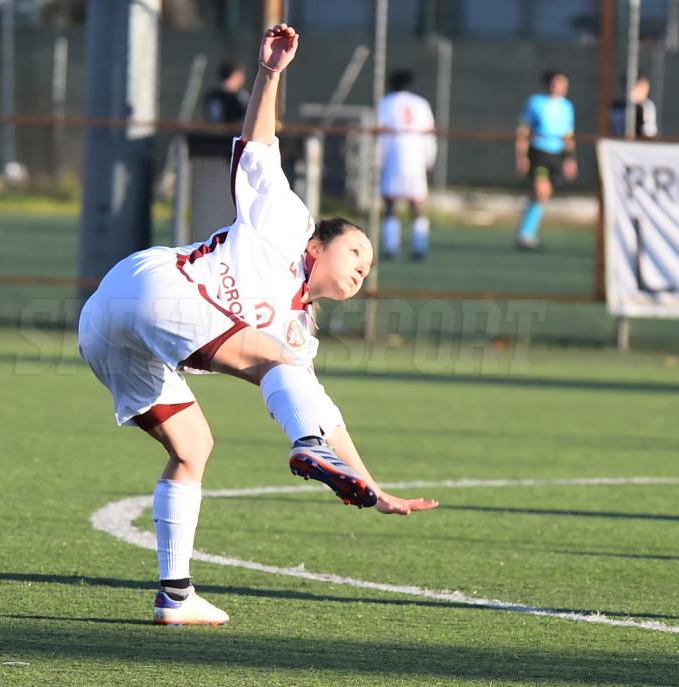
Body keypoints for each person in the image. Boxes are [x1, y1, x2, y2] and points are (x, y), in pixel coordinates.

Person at [78, 23, 438, 628]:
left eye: (369, 266)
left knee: (193, 447)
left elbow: (323, 413)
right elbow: (258, 145)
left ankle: (175, 596)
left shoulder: (298, 335)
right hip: (155, 284)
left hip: (107, 330)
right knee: (282, 371)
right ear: (320, 245)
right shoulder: (289, 222)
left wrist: (371, 487)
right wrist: (270, 73)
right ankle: (303, 450)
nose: (362, 268)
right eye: (356, 251)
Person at [514, 69, 577, 251]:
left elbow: (568, 135)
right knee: (541, 190)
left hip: (557, 154)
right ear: (549, 84)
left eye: (564, 84)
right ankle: (526, 234)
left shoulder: (567, 107)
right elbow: (523, 130)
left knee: (543, 194)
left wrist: (570, 159)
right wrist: (521, 156)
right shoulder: (536, 102)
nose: (561, 87)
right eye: (558, 82)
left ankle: (526, 231)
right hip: (539, 151)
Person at [378, 69, 436, 260]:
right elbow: (430, 135)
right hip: (416, 157)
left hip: (394, 156)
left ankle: (391, 247)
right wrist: (429, 159)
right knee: (417, 203)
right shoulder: (421, 104)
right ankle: (420, 247)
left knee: (390, 203)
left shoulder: (386, 103)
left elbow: (382, 135)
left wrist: (379, 160)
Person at [610, 73, 658, 139]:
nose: (645, 92)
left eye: (646, 88)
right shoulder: (618, 106)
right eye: (641, 87)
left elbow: (650, 132)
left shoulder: (647, 106)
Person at [203, 59, 249, 124]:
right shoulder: (216, 96)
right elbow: (215, 120)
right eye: (239, 77)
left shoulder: (242, 95)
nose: (242, 80)